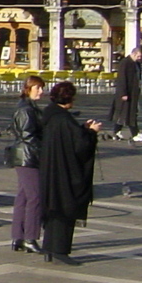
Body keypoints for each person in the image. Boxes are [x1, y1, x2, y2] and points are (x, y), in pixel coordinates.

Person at [38, 80, 101, 266]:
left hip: (51, 170)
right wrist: (92, 132)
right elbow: (80, 145)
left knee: (53, 209)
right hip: (64, 173)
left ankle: (49, 248)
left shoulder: (52, 115)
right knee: (65, 209)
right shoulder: (63, 118)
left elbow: (71, 138)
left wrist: (83, 129)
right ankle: (60, 250)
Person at [8, 76, 46, 254]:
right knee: (35, 196)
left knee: (23, 196)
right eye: (37, 88)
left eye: (41, 88)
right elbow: (27, 135)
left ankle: (18, 236)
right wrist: (44, 148)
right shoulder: (26, 110)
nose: (41, 91)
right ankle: (30, 237)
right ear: (28, 89)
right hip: (27, 156)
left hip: (27, 155)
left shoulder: (30, 107)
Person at [111, 47, 142, 142]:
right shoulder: (125, 63)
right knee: (128, 112)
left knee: (125, 113)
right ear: (133, 54)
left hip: (133, 92)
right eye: (138, 56)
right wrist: (123, 93)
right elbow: (122, 79)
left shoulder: (136, 63)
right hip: (126, 93)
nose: (139, 58)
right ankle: (135, 133)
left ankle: (116, 131)